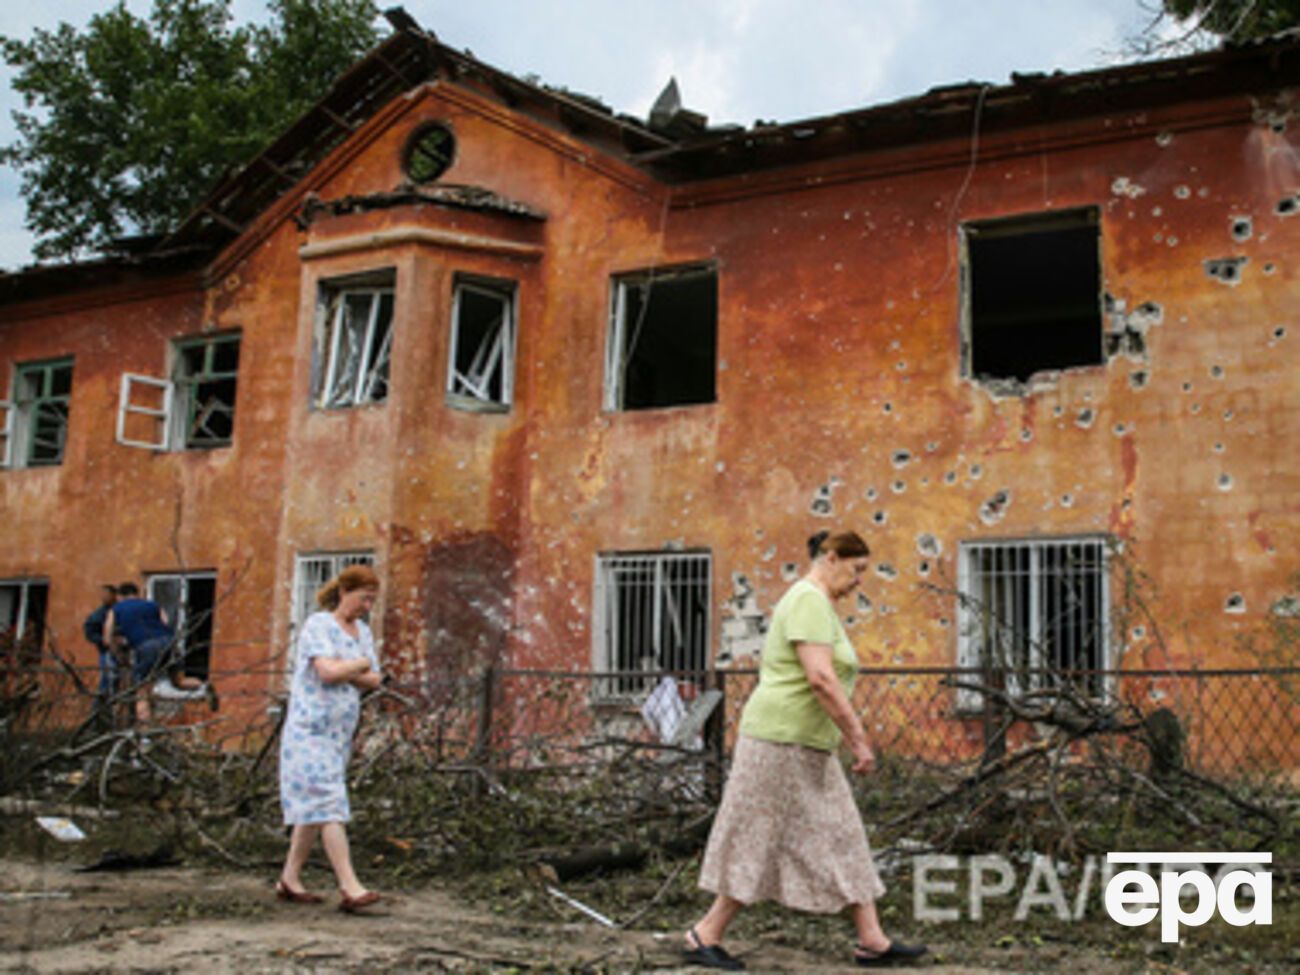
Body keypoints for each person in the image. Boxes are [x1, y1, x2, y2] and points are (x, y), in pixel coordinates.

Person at [684, 530, 927, 970]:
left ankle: (872, 940)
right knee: (758, 836)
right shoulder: (808, 600)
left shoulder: (819, 605)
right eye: (856, 570)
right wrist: (857, 738)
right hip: (779, 740)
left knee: (843, 833)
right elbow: (821, 678)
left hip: (805, 743)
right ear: (831, 558)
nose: (859, 582)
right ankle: (706, 932)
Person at [276, 564, 384, 913]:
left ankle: (289, 879)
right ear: (344, 592)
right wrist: (357, 667)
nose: (367, 606)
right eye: (363, 598)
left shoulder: (361, 632)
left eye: (372, 600)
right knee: (330, 801)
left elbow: (375, 679)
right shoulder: (318, 625)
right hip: (310, 729)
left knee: (313, 807)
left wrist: (348, 668)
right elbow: (327, 672)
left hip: (340, 732)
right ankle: (350, 886)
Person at [103, 581, 205, 723]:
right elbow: (165, 622)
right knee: (179, 681)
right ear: (137, 594)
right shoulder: (153, 605)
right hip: (170, 642)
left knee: (142, 693)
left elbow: (107, 638)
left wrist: (119, 655)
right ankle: (204, 686)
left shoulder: (116, 609)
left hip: (146, 646)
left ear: (120, 596)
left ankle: (145, 739)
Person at [83, 585, 121, 720]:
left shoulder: (118, 609)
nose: (103, 597)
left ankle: (111, 715)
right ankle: (99, 717)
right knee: (107, 682)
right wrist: (105, 641)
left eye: (106, 594)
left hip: (123, 654)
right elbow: (89, 631)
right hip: (108, 653)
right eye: (102, 594)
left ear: (114, 595)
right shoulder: (100, 614)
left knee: (117, 683)